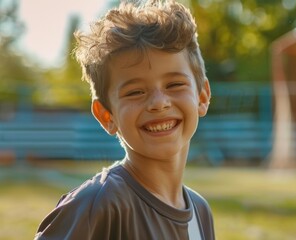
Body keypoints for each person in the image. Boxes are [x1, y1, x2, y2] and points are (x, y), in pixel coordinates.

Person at [34, 0, 214, 239]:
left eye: (174, 84)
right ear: (106, 115)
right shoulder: (97, 204)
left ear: (202, 96)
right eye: (135, 92)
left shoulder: (200, 212)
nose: (159, 103)